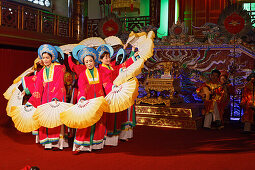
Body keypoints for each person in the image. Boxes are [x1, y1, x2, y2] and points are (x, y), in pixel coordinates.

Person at [27, 44, 68, 150]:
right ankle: (48, 143)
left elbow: (59, 83)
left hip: (56, 97)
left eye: (47, 58)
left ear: (52, 58)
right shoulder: (41, 72)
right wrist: (31, 101)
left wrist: (56, 97)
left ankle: (58, 143)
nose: (45, 60)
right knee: (46, 119)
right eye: (43, 58)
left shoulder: (59, 68)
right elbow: (38, 88)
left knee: (56, 118)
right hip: (45, 98)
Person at [97, 44, 137, 146]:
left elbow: (121, 64)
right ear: (100, 59)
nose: (108, 59)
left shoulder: (110, 67)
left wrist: (133, 57)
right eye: (105, 58)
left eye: (108, 57)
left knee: (116, 115)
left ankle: (115, 138)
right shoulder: (101, 69)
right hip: (109, 93)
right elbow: (105, 82)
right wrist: (112, 87)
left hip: (115, 91)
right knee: (110, 116)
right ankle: (109, 139)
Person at [73, 47, 108, 154]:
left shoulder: (101, 72)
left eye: (91, 61)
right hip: (87, 102)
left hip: (99, 101)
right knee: (85, 123)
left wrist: (112, 89)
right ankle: (81, 146)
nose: (89, 63)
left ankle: (96, 145)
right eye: (86, 61)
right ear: (84, 63)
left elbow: (107, 83)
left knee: (99, 122)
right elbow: (82, 88)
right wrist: (82, 98)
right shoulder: (83, 75)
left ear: (94, 61)